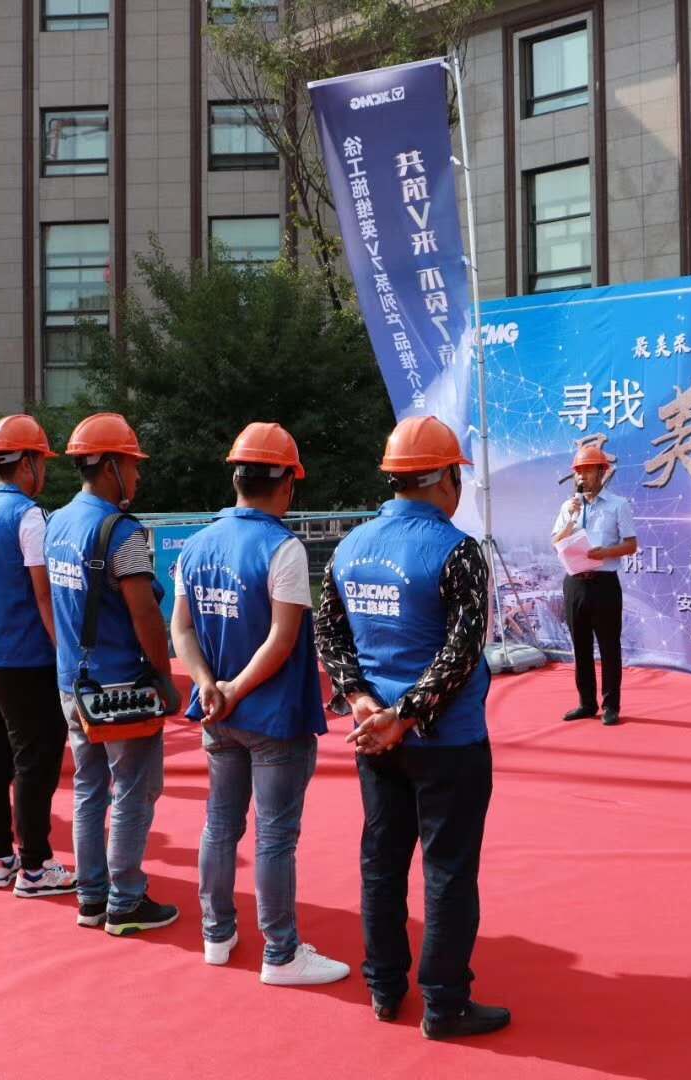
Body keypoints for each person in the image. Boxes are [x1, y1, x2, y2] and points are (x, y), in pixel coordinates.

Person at [315, 415, 509, 1041]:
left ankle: (383, 986)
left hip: (375, 738)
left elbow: (329, 634)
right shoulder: (457, 551)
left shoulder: (350, 546)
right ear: (446, 478)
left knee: (382, 861)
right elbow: (462, 651)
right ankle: (444, 1003)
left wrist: (362, 701)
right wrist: (404, 716)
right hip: (446, 741)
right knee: (448, 870)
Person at [171, 422, 349, 985]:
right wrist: (235, 689)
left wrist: (208, 684)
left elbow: (181, 629)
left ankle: (216, 934)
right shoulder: (283, 547)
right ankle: (281, 952)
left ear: (237, 478)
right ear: (287, 483)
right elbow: (282, 639)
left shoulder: (197, 544)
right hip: (272, 716)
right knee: (274, 836)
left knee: (220, 825)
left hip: (218, 715)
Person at [45, 412, 178, 936]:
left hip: (73, 684)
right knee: (132, 792)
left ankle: (92, 896)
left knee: (88, 788)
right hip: (121, 686)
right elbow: (145, 613)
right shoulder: (122, 533)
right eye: (132, 464)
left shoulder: (57, 522)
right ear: (109, 467)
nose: (138, 475)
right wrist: (164, 676)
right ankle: (125, 900)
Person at [0, 414, 77, 896]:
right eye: (42, 460)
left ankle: (0, 858)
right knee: (36, 762)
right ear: (27, 463)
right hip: (25, 658)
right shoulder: (28, 516)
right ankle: (35, 866)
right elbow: (44, 594)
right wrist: (66, 653)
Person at [551, 442, 638, 727]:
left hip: (604, 584)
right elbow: (556, 542)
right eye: (579, 471)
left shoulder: (618, 505)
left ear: (602, 472)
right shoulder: (568, 506)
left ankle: (611, 705)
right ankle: (586, 703)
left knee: (609, 646)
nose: (582, 477)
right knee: (581, 646)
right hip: (574, 583)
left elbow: (631, 545)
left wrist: (605, 553)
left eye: (589, 471)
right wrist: (571, 518)